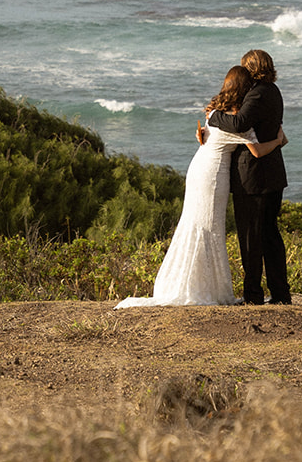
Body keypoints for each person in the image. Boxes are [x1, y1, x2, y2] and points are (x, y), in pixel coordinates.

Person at [116, 65, 287, 308]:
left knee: (198, 224)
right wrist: (278, 140)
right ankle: (204, 288)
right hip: (214, 175)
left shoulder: (214, 113)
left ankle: (197, 285)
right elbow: (258, 151)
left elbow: (208, 133)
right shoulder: (238, 124)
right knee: (209, 227)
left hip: (199, 169)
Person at [207, 49, 291, 306]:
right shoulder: (274, 92)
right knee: (269, 236)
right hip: (273, 174)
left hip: (253, 177)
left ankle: (253, 295)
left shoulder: (257, 93)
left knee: (250, 238)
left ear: (252, 68)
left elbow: (241, 123)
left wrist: (213, 115)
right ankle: (280, 294)